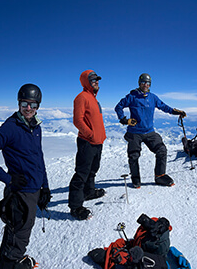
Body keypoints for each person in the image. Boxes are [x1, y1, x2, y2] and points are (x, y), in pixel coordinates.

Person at [0, 83, 51, 269]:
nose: (29, 109)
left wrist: (45, 186)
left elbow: (39, 157)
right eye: (25, 104)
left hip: (34, 188)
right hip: (20, 191)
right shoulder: (9, 128)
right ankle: (9, 264)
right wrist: (8, 179)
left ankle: (15, 259)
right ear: (19, 104)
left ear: (38, 107)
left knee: (24, 229)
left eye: (33, 105)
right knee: (18, 230)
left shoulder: (35, 126)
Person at [114, 73, 186, 188]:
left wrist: (176, 112)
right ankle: (136, 179)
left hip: (149, 131)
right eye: (143, 82)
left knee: (161, 150)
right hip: (135, 132)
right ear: (139, 83)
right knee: (134, 155)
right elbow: (118, 107)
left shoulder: (153, 97)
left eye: (148, 83)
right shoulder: (132, 96)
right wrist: (124, 120)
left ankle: (160, 176)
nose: (145, 85)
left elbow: (164, 107)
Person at [68, 70, 107, 220]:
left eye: (97, 80)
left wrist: (100, 136)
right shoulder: (81, 97)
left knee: (93, 170)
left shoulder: (94, 99)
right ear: (86, 82)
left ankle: (89, 192)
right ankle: (75, 207)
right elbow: (78, 120)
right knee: (81, 173)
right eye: (93, 80)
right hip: (87, 142)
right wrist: (90, 134)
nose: (96, 82)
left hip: (97, 142)